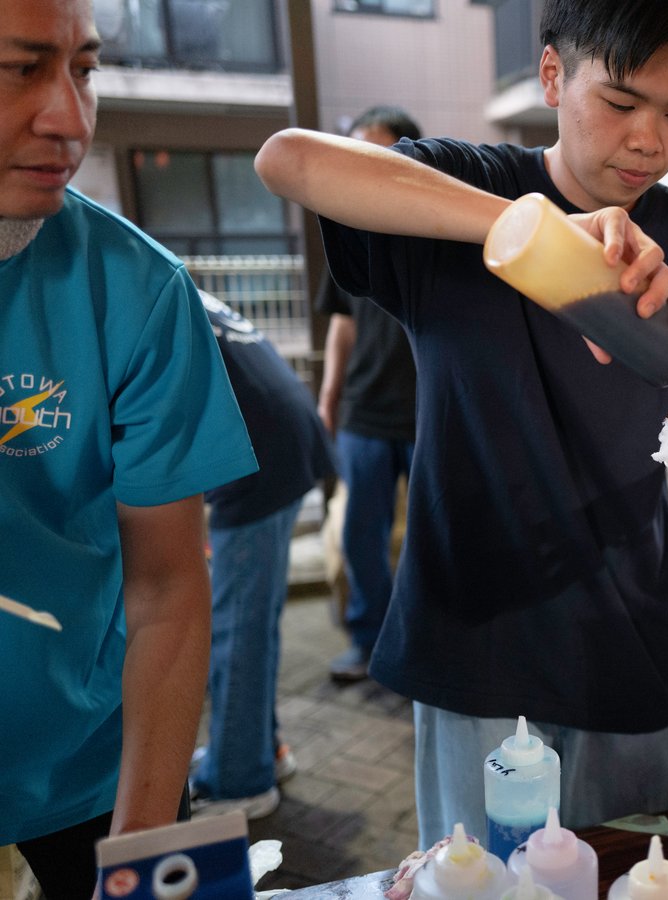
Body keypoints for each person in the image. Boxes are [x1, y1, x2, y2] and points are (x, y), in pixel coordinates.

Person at [255, 0, 668, 845]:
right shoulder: (466, 190)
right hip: (475, 644)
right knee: (479, 882)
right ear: (552, 75)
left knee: (622, 874)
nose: (651, 139)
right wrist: (529, 229)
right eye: (620, 103)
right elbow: (288, 160)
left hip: (630, 650)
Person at [0, 1, 258, 895]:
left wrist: (146, 855)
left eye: (84, 68)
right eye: (18, 69)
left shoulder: (136, 288)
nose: (68, 116)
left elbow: (168, 586)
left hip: (97, 763)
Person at [189, 292, 336, 819]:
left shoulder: (111, 290)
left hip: (257, 454)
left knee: (237, 628)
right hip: (282, 438)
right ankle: (257, 752)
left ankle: (238, 782)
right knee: (249, 620)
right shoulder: (163, 279)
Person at [315, 105, 422, 684]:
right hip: (364, 412)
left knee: (437, 535)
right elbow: (341, 323)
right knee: (362, 534)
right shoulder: (346, 226)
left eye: (381, 151)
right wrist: (329, 397)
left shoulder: (434, 226)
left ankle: (426, 646)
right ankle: (369, 643)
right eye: (357, 150)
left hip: (427, 412)